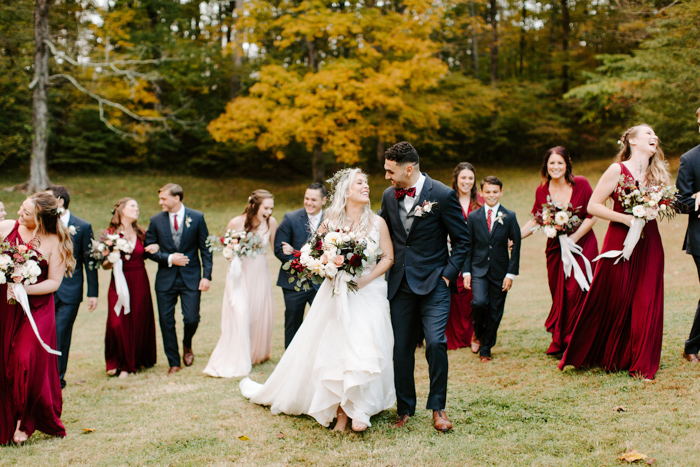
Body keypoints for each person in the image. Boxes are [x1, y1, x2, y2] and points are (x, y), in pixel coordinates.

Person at [240, 169, 395, 433]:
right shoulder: (331, 219)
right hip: (335, 292)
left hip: (369, 292)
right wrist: (328, 267)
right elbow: (312, 253)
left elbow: (388, 258)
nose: (366, 187)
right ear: (347, 190)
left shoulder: (377, 222)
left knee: (365, 345)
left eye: (367, 183)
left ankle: (360, 408)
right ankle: (340, 412)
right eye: (360, 183)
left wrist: (365, 280)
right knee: (337, 348)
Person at [559, 124, 670, 380]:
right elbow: (593, 206)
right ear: (632, 141)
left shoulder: (657, 174)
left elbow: (663, 203)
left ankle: (641, 361)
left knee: (647, 299)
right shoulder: (617, 170)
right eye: (648, 134)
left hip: (649, 240)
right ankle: (606, 353)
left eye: (655, 134)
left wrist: (652, 209)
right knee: (614, 296)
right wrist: (625, 218)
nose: (655, 136)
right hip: (619, 241)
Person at [379, 141, 470, 433]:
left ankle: (438, 408)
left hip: (434, 284)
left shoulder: (442, 194)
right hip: (399, 285)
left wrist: (447, 275)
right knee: (401, 349)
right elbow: (381, 235)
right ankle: (405, 408)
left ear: (408, 168)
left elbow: (462, 240)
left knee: (436, 342)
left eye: (390, 171)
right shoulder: (387, 197)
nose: (386, 177)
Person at [0, 193, 76, 445]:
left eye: (26, 213)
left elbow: (54, 282)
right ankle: (9, 416)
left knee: (25, 360)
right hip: (7, 306)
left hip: (38, 308)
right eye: (20, 209)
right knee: (7, 364)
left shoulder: (56, 241)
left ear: (41, 219)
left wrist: (24, 289)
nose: (19, 214)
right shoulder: (6, 227)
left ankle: (25, 421)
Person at [519, 148, 598, 355]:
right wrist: (514, 238)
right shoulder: (541, 191)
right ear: (546, 165)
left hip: (582, 244)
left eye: (559, 163)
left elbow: (592, 215)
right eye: (551, 163)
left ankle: (578, 340)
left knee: (577, 290)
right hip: (556, 249)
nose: (555, 167)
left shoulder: (581, 183)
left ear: (567, 164)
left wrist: (574, 238)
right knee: (559, 293)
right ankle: (562, 338)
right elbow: (537, 219)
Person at [204, 190, 277, 377]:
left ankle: (255, 353)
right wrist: (231, 253)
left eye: (271, 208)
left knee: (256, 314)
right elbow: (226, 249)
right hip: (238, 275)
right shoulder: (236, 222)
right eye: (266, 208)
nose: (269, 212)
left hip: (260, 272)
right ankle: (236, 355)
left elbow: (276, 248)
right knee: (241, 313)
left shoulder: (271, 223)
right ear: (254, 205)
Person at [145, 183, 213, 375]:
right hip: (165, 279)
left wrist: (206, 276)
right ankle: (174, 361)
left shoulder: (197, 217)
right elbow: (148, 250)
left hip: (191, 278)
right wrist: (168, 258)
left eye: (163, 198)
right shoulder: (156, 220)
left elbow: (205, 249)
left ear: (176, 198)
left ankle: (187, 343)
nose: (160, 202)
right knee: (166, 321)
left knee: (192, 318)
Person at [463, 176, 521, 363]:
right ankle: (478, 333)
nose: (491, 195)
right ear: (481, 193)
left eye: (495, 192)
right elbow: (467, 245)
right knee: (479, 303)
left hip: (500, 271)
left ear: (501, 192)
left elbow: (517, 246)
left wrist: (510, 274)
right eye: (487, 192)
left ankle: (486, 348)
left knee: (495, 310)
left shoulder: (509, 216)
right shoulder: (474, 217)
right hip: (478, 270)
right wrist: (466, 272)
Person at [48, 185, 99, 389]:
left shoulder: (83, 226)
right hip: (44, 288)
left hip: (71, 290)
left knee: (61, 334)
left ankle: (58, 378)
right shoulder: (42, 223)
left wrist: (92, 293)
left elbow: (90, 262)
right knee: (43, 333)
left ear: (60, 202)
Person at [102, 198, 157, 378]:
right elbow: (103, 264)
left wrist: (156, 247)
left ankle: (131, 363)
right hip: (118, 281)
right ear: (121, 209)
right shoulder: (109, 234)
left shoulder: (142, 233)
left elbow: (150, 252)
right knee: (117, 322)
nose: (137, 209)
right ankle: (115, 360)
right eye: (133, 206)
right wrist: (111, 258)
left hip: (139, 280)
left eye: (138, 207)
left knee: (138, 319)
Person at [274, 182, 326, 348]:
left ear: (324, 200)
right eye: (306, 198)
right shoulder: (291, 218)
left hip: (322, 283)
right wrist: (300, 265)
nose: (309, 203)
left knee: (323, 323)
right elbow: (279, 249)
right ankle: (289, 362)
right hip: (294, 283)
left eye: (314, 200)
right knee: (293, 322)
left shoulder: (331, 220)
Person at [446, 162, 483, 351]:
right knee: (455, 296)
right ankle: (455, 335)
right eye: (463, 178)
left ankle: (474, 334)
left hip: (476, 257)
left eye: (470, 178)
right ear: (456, 179)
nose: (467, 181)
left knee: (473, 296)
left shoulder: (481, 202)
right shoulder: (448, 199)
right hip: (453, 255)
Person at [675, 107, 700, 362]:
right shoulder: (690, 159)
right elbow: (680, 203)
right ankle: (691, 347)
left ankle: (692, 345)